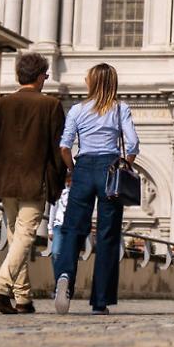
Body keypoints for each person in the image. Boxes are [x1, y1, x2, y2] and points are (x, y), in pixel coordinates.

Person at [0, 53, 66, 315]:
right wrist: (60, 179)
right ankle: (0, 288)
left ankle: (24, 298)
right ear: (40, 77)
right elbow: (57, 148)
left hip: (5, 180)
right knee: (25, 237)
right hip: (33, 180)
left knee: (16, 237)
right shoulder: (51, 106)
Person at [52, 63, 139, 315]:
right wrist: (123, 167)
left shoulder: (77, 110)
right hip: (110, 169)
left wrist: (72, 170)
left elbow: (65, 146)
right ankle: (100, 301)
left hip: (83, 168)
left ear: (91, 82)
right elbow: (132, 144)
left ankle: (65, 274)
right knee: (107, 235)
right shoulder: (120, 108)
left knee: (72, 228)